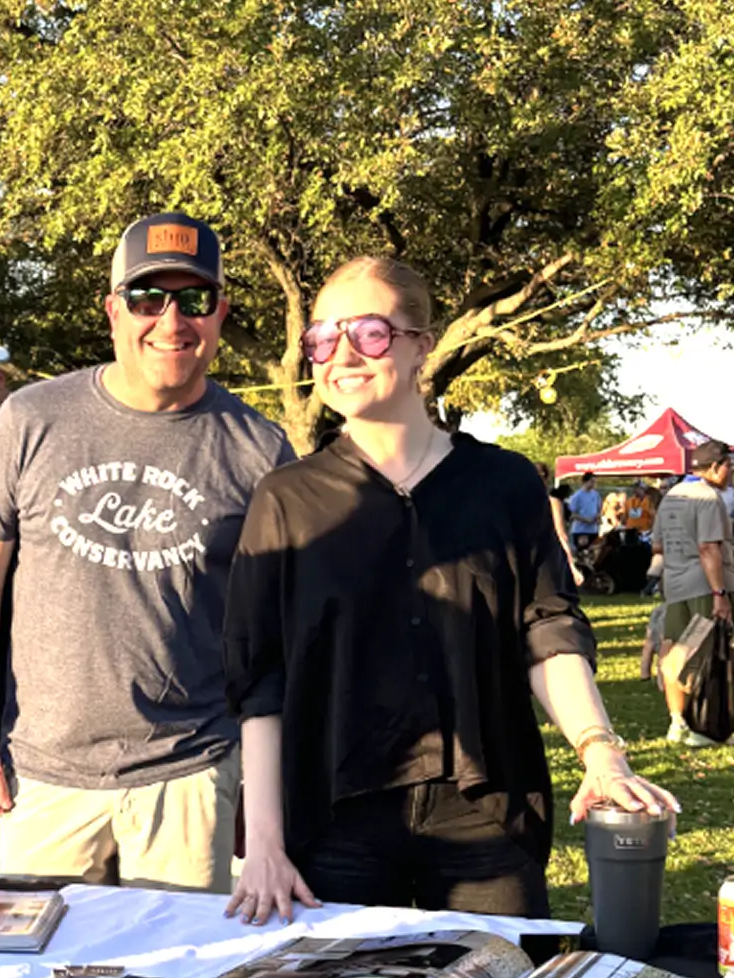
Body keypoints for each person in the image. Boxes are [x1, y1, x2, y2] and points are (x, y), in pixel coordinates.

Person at [223, 255, 677, 925]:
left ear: (420, 346)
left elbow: (548, 626)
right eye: (322, 336)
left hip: (487, 815)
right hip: (334, 821)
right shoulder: (285, 499)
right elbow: (263, 679)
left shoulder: (505, 485)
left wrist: (600, 750)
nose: (341, 352)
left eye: (370, 332)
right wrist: (263, 842)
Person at [0, 209, 294, 891]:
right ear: (112, 310)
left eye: (194, 299)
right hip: (44, 775)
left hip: (189, 771)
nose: (172, 321)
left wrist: (260, 781)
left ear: (220, 312)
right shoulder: (32, 419)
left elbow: (273, 630)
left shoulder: (260, 449)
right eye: (147, 298)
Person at [651, 439, 733, 745]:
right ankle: (704, 728)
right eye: (729, 466)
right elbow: (708, 548)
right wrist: (719, 593)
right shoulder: (707, 498)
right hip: (704, 586)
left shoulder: (672, 495)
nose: (731, 473)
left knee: (675, 649)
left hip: (675, 586)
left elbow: (657, 545)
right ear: (714, 467)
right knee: (704, 652)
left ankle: (677, 723)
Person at [567, 471, 602, 550]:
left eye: (595, 482)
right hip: (581, 530)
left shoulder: (596, 494)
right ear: (585, 482)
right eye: (591, 482)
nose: (593, 484)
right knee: (582, 553)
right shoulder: (577, 496)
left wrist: (598, 516)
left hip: (593, 530)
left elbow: (598, 509)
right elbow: (572, 514)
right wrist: (585, 520)